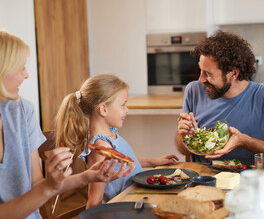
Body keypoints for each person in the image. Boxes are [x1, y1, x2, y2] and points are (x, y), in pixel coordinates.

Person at [0, 30, 130, 219]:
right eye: (20, 68)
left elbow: (37, 185)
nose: (27, 75)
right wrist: (47, 187)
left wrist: (88, 176)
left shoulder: (22, 111)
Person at [175, 30, 264, 169]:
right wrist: (184, 136)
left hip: (247, 180)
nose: (200, 80)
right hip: (204, 179)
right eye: (200, 71)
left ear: (233, 74)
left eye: (208, 74)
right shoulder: (193, 91)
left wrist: (245, 141)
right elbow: (183, 149)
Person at [55, 74, 179, 209]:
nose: (127, 110)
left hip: (136, 199)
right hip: (123, 210)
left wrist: (154, 162)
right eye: (123, 105)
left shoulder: (110, 133)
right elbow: (95, 200)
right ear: (103, 109)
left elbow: (123, 162)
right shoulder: (100, 147)